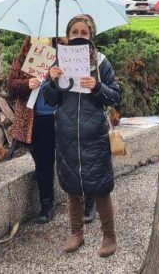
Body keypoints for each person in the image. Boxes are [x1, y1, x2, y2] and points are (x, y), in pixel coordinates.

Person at [41, 15, 122, 258]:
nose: (79, 35)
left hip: (94, 134)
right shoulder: (59, 61)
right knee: (72, 187)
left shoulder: (101, 62)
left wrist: (96, 87)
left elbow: (115, 96)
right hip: (67, 134)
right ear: (68, 35)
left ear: (91, 35)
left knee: (100, 187)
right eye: (74, 31)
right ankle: (76, 233)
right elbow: (50, 99)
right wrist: (52, 81)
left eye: (83, 32)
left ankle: (109, 236)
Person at [6, 37, 59, 224]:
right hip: (37, 118)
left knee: (69, 159)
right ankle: (47, 203)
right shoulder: (23, 57)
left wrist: (56, 77)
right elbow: (10, 84)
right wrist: (26, 84)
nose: (43, 38)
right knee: (43, 161)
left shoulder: (62, 55)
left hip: (61, 116)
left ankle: (84, 200)